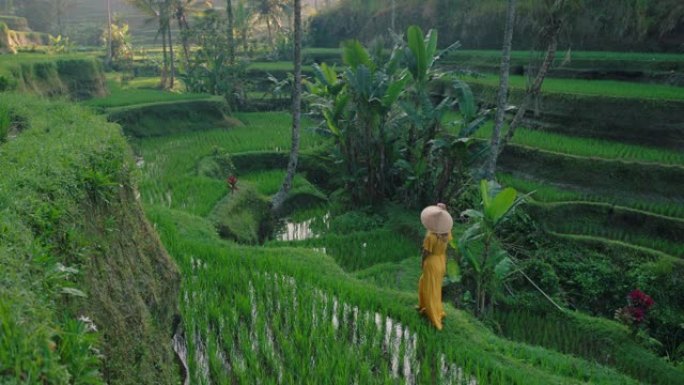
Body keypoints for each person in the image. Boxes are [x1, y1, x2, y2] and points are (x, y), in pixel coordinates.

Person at [417, 203, 453, 330]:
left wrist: (422, 263)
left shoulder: (430, 236)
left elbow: (425, 253)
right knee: (432, 286)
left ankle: (433, 316)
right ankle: (424, 305)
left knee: (429, 289)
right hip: (441, 261)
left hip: (432, 263)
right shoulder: (447, 233)